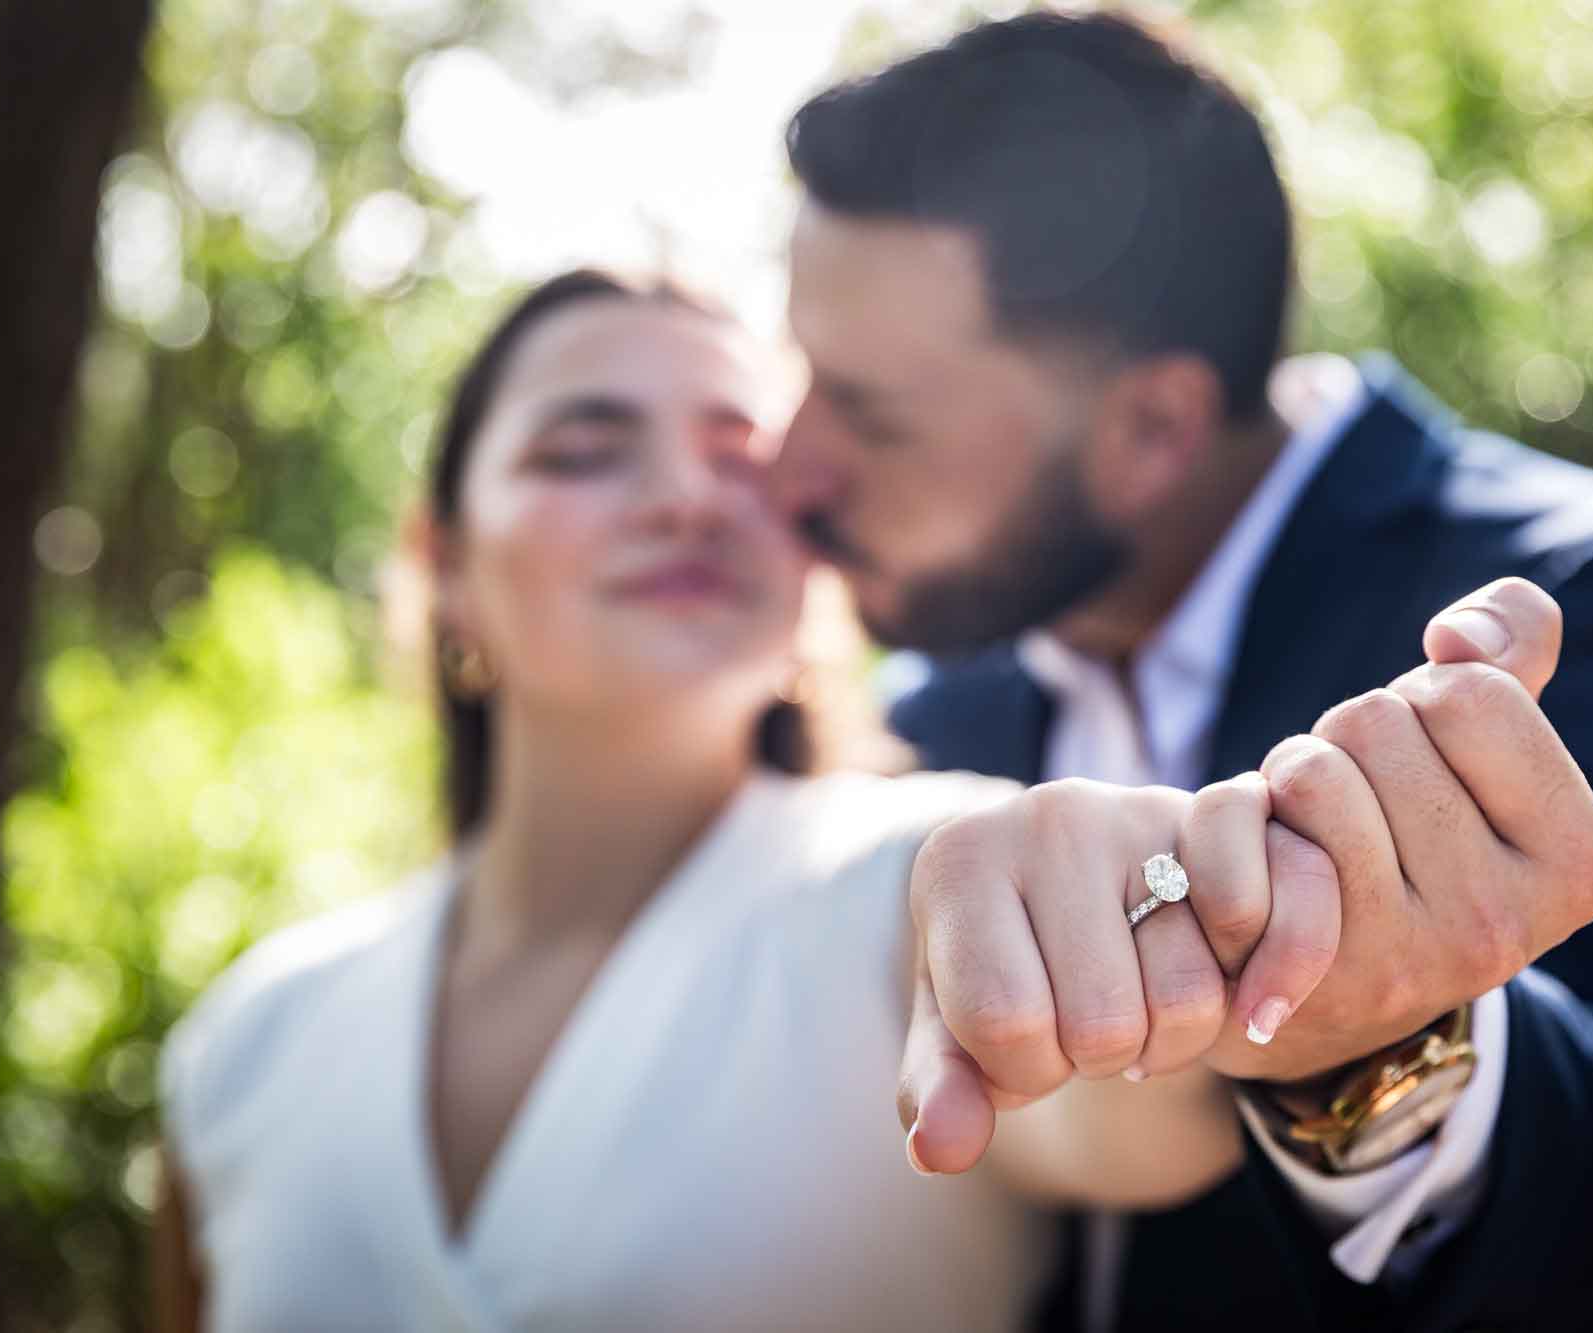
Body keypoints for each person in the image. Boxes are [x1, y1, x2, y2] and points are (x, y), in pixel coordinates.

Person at [771, 9, 1593, 1330]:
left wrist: (1379, 1041)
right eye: (801, 376)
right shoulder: (939, 717)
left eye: (869, 413)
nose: (785, 467)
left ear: (1154, 426)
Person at [150, 270, 1367, 1331]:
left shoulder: (928, 891)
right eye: (580, 450)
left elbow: (1149, 1108)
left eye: (744, 458)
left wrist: (1204, 939)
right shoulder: (244, 1040)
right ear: (444, 564)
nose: (685, 498)